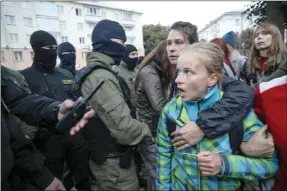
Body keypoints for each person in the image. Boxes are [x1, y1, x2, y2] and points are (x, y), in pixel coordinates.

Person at [156, 42, 278, 190]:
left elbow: (270, 165)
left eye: (188, 72)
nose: (178, 80)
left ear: (212, 79)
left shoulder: (240, 115)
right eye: (179, 71)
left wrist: (225, 164)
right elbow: (163, 158)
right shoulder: (170, 113)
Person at [73, 19, 152, 190]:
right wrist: (149, 133)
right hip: (115, 168)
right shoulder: (101, 76)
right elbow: (124, 129)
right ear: (106, 40)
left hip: (110, 161)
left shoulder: (100, 72)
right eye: (121, 42)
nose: (124, 47)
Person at [1, 65, 95, 190]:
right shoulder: (26, 74)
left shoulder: (65, 74)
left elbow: (19, 103)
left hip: (12, 173)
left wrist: (55, 110)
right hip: (47, 138)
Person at [20, 30, 90, 190]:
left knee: (82, 175)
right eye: (47, 47)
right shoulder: (24, 77)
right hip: (47, 139)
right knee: (55, 179)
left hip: (73, 135)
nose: (52, 51)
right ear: (36, 49)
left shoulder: (65, 74)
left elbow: (75, 97)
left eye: (54, 47)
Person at [134, 40, 174, 190]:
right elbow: (159, 106)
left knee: (154, 175)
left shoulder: (155, 71)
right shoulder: (150, 73)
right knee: (157, 175)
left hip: (152, 130)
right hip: (150, 133)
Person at [240, 23, 285, 87]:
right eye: (256, 35)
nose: (259, 37)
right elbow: (241, 88)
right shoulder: (247, 64)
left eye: (265, 33)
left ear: (275, 37)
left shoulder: (284, 61)